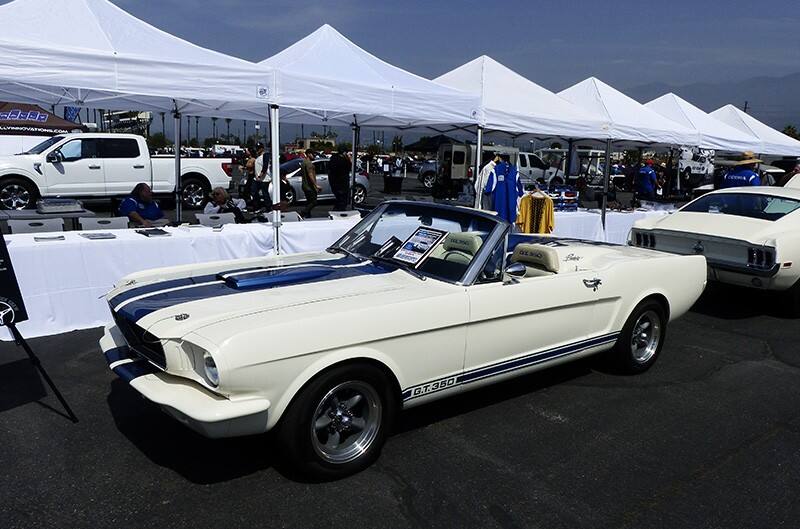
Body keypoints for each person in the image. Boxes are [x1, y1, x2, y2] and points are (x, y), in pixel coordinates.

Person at [483, 153, 523, 224]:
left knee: (498, 224)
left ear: (500, 158)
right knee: (509, 226)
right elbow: (520, 191)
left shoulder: (495, 170)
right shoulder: (514, 171)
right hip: (510, 206)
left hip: (499, 206)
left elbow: (489, 189)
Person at [328, 146, 351, 211]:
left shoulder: (333, 159)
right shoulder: (343, 161)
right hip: (342, 184)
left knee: (338, 200)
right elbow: (348, 168)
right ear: (344, 152)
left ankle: (336, 211)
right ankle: (339, 213)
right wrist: (349, 159)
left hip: (334, 183)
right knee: (343, 201)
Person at [301, 150, 321, 217]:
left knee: (309, 202)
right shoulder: (308, 163)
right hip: (309, 186)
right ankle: (303, 212)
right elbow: (310, 175)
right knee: (314, 202)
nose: (314, 155)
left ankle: (308, 215)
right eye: (313, 154)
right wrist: (316, 185)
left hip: (305, 185)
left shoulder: (304, 162)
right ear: (309, 154)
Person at [252, 144, 272, 209]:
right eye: (256, 148)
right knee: (254, 191)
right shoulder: (258, 157)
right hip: (257, 179)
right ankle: (257, 206)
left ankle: (269, 207)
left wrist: (260, 175)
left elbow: (265, 167)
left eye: (259, 148)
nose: (257, 150)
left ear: (262, 148)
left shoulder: (265, 155)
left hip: (264, 179)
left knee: (265, 193)